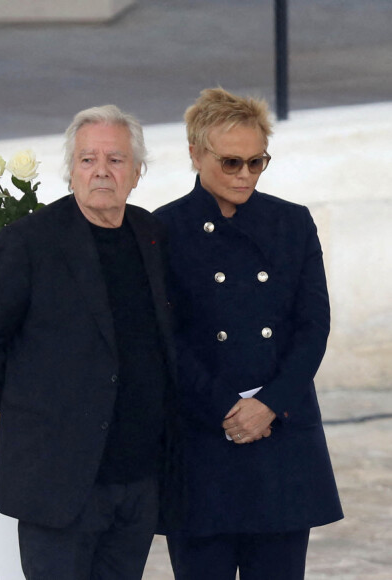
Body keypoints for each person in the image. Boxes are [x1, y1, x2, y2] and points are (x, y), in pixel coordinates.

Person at [0, 104, 178, 579]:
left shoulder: (152, 234)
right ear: (70, 171)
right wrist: (32, 406)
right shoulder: (29, 242)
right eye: (87, 159)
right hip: (57, 481)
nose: (101, 170)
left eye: (116, 160)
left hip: (137, 480)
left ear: (137, 172)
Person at [154, 88, 343, 580]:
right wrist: (226, 409)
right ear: (195, 154)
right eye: (231, 162)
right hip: (202, 441)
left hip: (279, 439)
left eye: (257, 163)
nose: (245, 176)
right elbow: (164, 339)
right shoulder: (162, 231)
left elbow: (312, 327)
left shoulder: (292, 223)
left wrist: (269, 404)